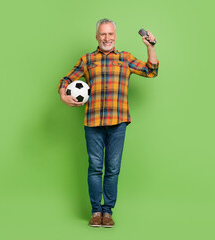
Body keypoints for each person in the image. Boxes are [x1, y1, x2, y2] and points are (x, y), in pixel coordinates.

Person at [58, 18, 159, 227]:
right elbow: (65, 80)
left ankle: (108, 212)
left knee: (112, 168)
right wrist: (63, 94)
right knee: (95, 167)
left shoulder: (125, 58)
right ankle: (96, 212)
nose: (107, 38)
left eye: (110, 34)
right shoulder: (87, 60)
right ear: (97, 37)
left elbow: (151, 70)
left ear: (115, 36)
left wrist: (150, 47)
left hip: (118, 122)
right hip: (93, 122)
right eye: (103, 34)